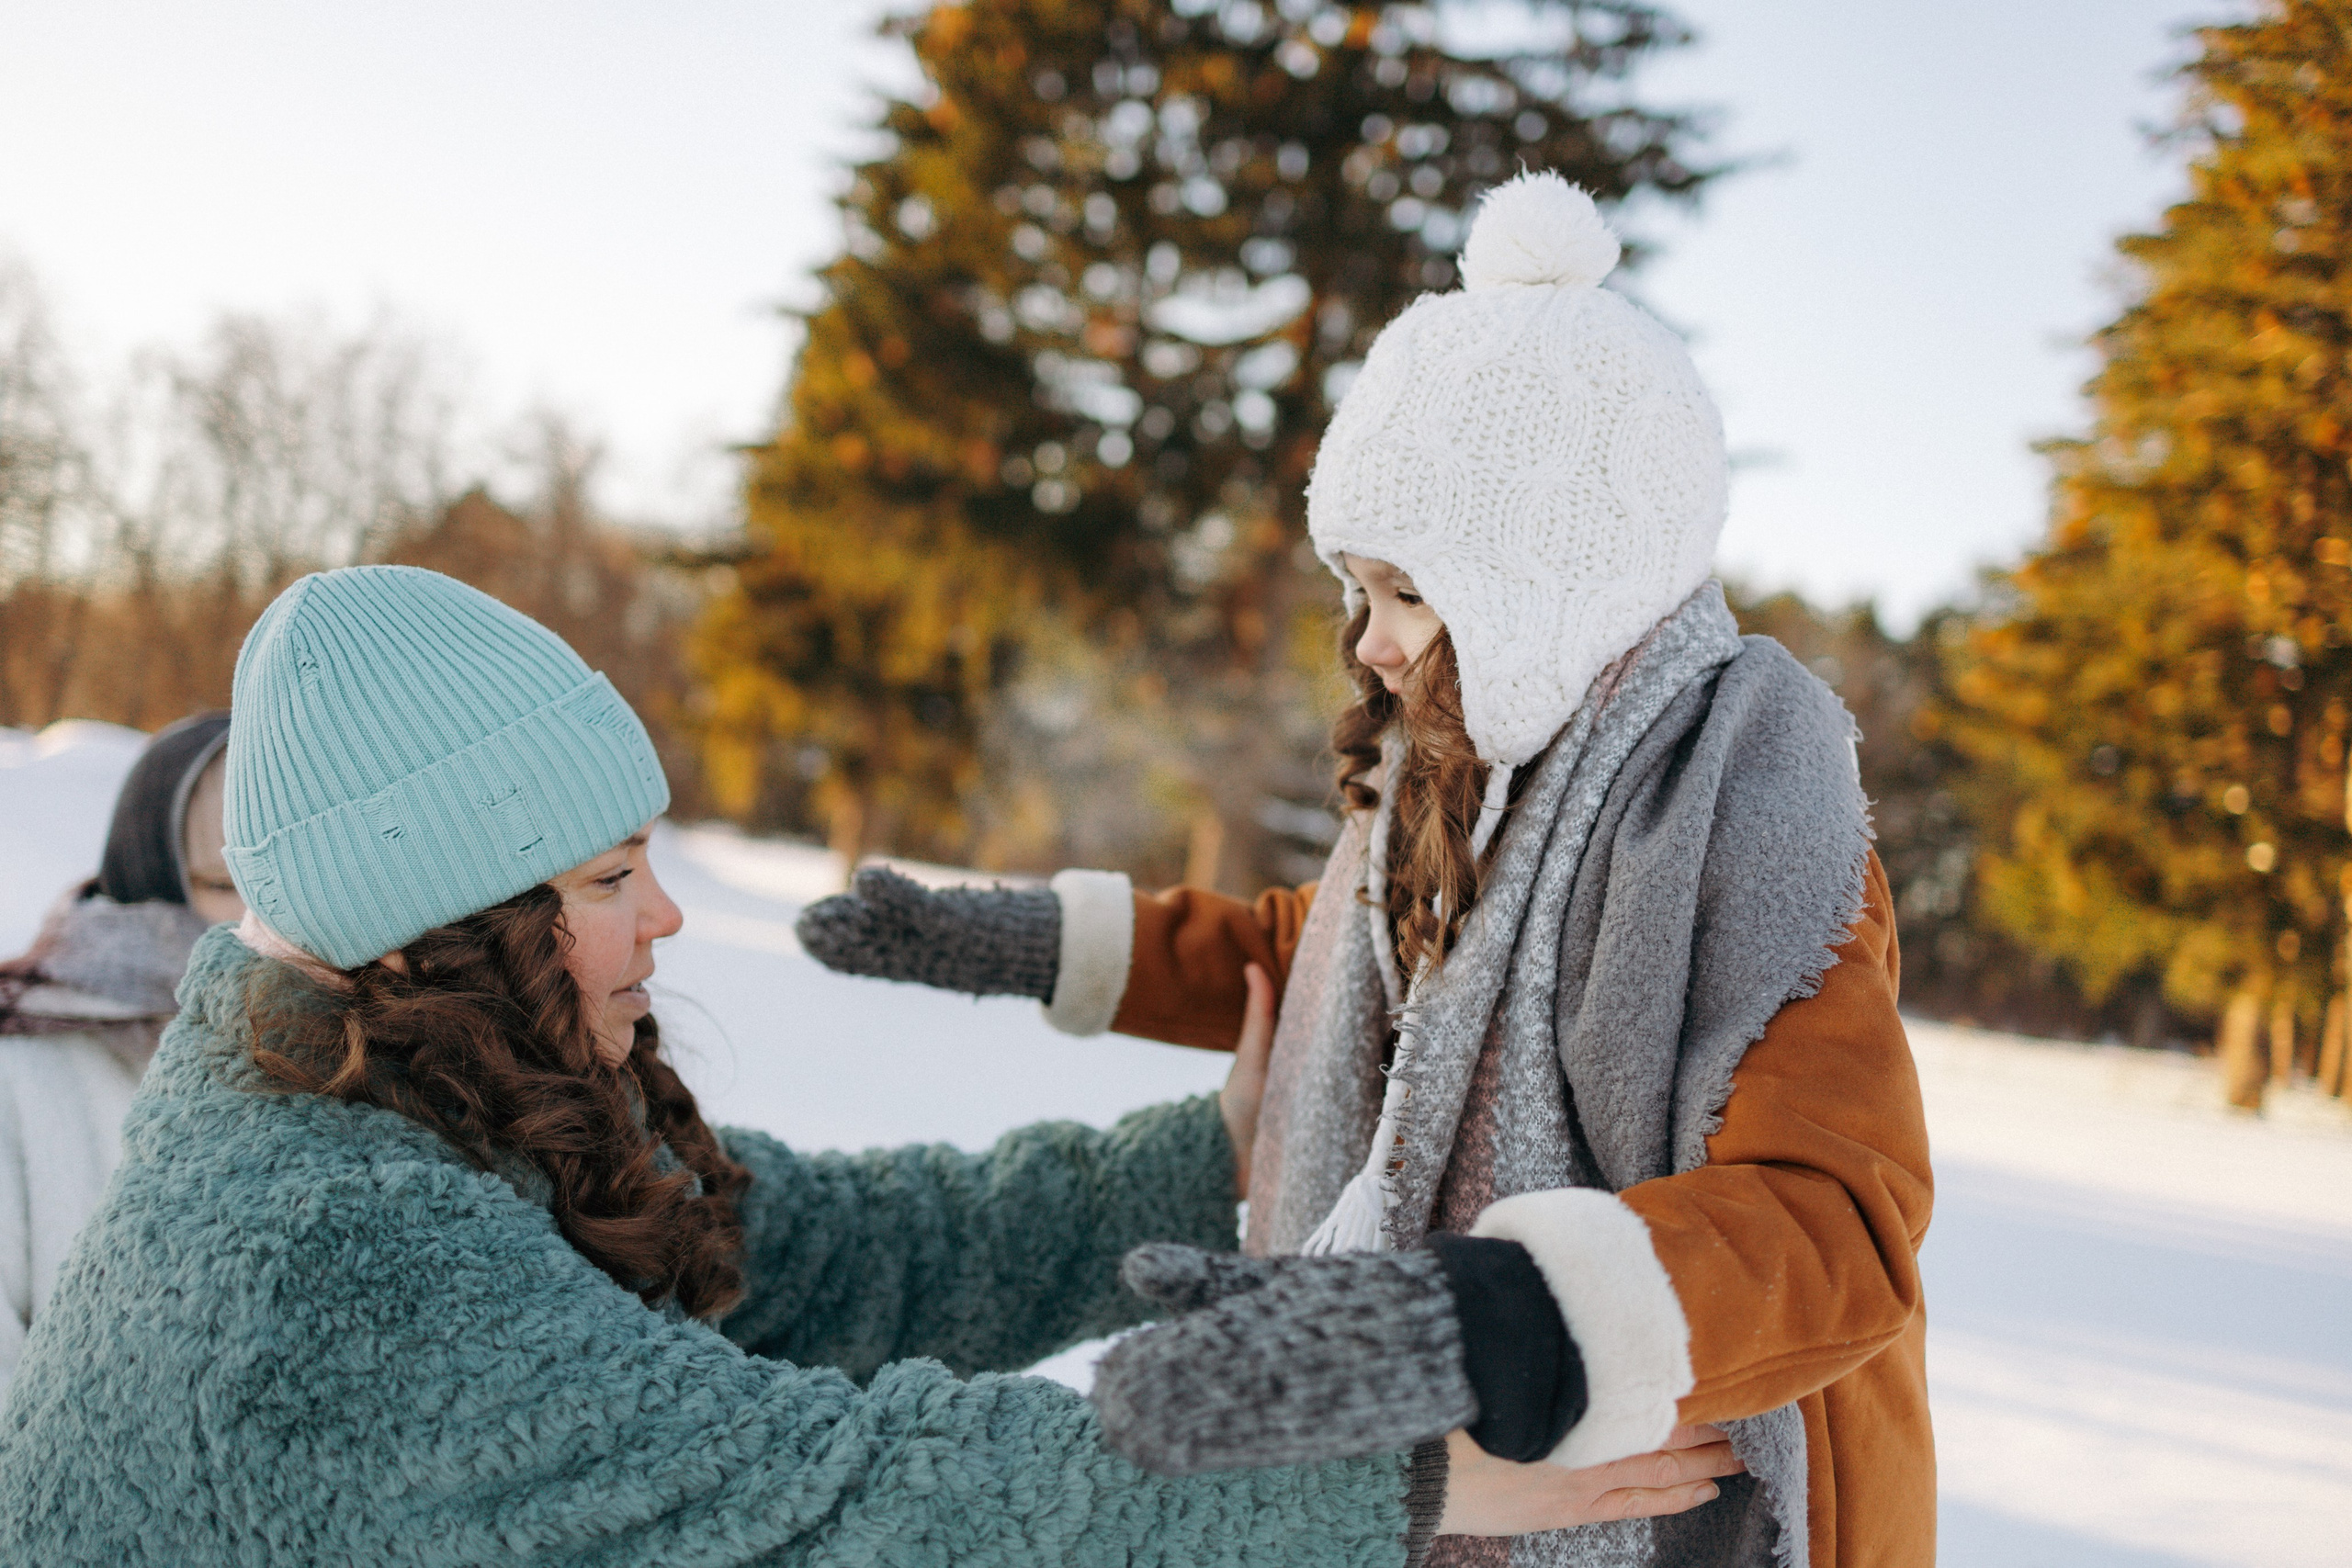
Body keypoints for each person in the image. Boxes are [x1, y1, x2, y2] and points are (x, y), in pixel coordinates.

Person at [0, 566, 1741, 1566]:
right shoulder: (324, 1262)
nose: (667, 917)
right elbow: (830, 1505)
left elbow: (818, 1256)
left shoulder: (402, 1107)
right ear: (441, 923)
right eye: (608, 880)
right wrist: (1386, 1479)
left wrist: (1198, 1148)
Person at [798, 172, 1934, 1568]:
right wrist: (1038, 939)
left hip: (1689, 1512)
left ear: (1550, 578)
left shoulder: (1748, 814)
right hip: (1460, 1495)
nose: (1372, 645)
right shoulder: (1452, 782)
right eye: (1360, 590)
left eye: (1409, 592)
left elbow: (1837, 1221)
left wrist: (1466, 1323)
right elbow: (1323, 952)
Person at [0, 709, 239, 1399]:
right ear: (150, 877)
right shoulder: (26, 1064)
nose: (263, 918)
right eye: (224, 885)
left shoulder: (364, 1045)